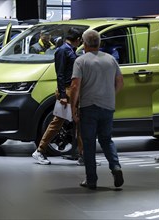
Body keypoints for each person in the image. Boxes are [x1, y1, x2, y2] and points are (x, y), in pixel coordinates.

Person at [70, 29, 124, 190]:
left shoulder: (81, 61)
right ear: (99, 43)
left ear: (84, 43)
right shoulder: (111, 60)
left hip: (89, 107)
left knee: (88, 143)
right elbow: (120, 82)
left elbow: (75, 86)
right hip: (108, 106)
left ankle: (91, 180)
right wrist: (110, 95)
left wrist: (73, 108)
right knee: (106, 139)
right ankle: (115, 167)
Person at [32, 27, 82, 165]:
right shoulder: (62, 51)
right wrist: (62, 94)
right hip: (66, 91)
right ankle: (40, 150)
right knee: (57, 122)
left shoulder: (69, 50)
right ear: (77, 40)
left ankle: (83, 155)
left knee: (78, 121)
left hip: (71, 90)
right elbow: (59, 74)